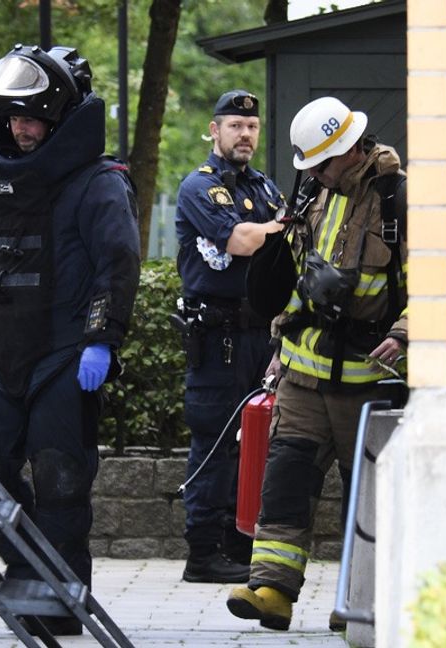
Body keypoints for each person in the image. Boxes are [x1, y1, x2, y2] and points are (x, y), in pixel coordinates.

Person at [0, 43, 141, 637]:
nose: (21, 129)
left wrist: (102, 339)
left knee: (60, 483)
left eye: (33, 118)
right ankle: (31, 570)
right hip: (4, 359)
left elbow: (117, 263)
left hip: (65, 359)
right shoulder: (2, 182)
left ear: (59, 119)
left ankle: (64, 606)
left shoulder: (99, 183)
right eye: (14, 118)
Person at [226, 96, 407, 631]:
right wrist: (281, 346)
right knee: (285, 481)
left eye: (320, 164)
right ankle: (271, 591)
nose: (315, 175)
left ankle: (359, 603)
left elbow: (436, 284)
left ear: (347, 152)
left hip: (368, 383)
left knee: (368, 499)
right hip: (304, 375)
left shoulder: (399, 201)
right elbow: (293, 278)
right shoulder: (315, 198)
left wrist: (403, 334)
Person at [173, 90, 286, 584]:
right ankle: (202, 553)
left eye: (252, 127)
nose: (245, 134)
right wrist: (285, 229)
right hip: (217, 335)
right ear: (214, 131)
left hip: (260, 335)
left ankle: (239, 544)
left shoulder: (263, 188)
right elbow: (240, 239)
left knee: (256, 442)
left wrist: (279, 227)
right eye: (235, 126)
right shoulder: (201, 188)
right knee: (214, 441)